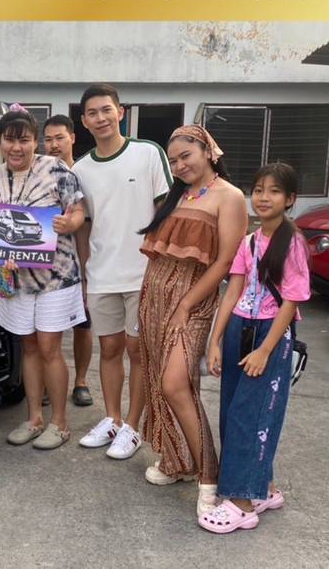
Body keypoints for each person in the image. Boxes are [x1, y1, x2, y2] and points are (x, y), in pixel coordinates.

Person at [137, 125, 248, 516]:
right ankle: (177, 460)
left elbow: (225, 261)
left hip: (193, 301)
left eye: (186, 156)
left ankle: (208, 474)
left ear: (208, 150)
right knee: (159, 382)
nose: (179, 166)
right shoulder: (179, 194)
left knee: (175, 383)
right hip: (154, 296)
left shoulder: (230, 196)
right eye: (173, 161)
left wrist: (185, 304)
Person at [199, 163, 310, 533]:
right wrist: (215, 340)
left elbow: (292, 300)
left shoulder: (293, 243)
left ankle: (243, 503)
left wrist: (265, 350)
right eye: (259, 189)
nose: (264, 197)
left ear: (290, 199)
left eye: (274, 191)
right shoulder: (249, 241)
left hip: (270, 333)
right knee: (234, 411)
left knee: (252, 414)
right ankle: (264, 487)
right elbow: (233, 290)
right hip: (239, 329)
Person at [72, 83, 172, 460]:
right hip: (101, 273)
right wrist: (86, 274)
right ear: (84, 121)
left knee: (137, 351)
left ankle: (132, 425)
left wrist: (160, 268)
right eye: (92, 113)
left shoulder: (148, 153)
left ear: (120, 112)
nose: (101, 118)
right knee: (109, 348)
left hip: (143, 273)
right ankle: (112, 418)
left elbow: (166, 212)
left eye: (106, 110)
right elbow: (84, 227)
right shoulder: (80, 169)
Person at [0, 105, 85, 450]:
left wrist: (69, 223)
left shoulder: (56, 169)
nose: (16, 147)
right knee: (28, 347)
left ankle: (60, 423)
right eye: (9, 140)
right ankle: (34, 419)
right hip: (15, 280)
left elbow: (78, 210)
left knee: (49, 347)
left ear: (34, 141)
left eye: (23, 140)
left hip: (56, 276)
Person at [43, 114, 94, 406]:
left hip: (85, 260)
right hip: (49, 268)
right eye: (48, 139)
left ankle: (81, 381)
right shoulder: (39, 173)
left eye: (59, 138)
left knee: (83, 324)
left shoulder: (86, 173)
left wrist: (87, 269)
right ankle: (49, 382)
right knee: (48, 329)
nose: (53, 145)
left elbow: (88, 224)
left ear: (72, 138)